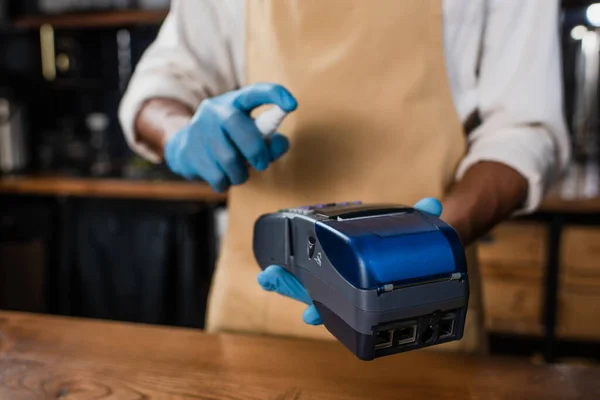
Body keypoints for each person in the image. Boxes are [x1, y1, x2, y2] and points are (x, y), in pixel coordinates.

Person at [119, 0, 570, 352]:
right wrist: (179, 134)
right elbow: (163, 82)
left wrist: (430, 246)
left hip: (422, 311)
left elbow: (525, 130)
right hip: (254, 317)